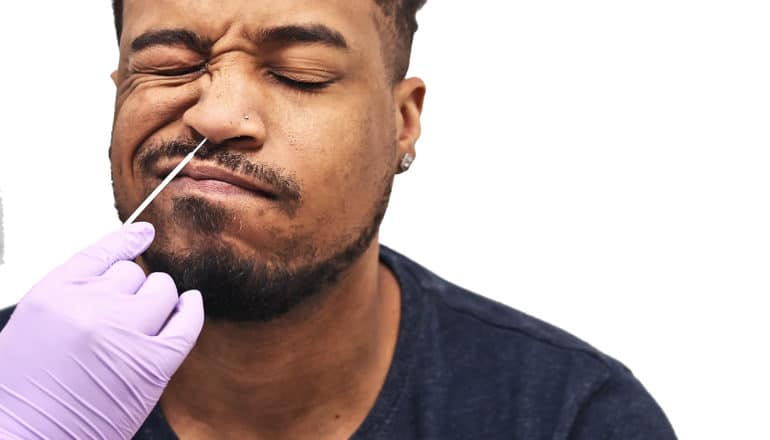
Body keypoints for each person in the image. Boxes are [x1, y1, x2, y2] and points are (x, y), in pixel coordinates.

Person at [0, 0, 677, 439]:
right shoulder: (17, 395)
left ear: (401, 122)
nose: (215, 115)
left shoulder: (568, 418)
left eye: (300, 73)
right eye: (168, 66)